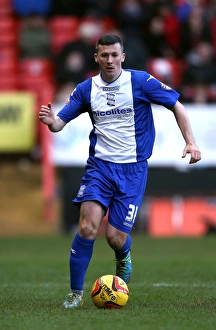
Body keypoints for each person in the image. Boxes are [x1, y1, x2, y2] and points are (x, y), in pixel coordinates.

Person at [39, 34, 201, 308]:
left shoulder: (140, 81)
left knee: (114, 237)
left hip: (133, 171)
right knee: (87, 227)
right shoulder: (86, 89)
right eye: (104, 55)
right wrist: (52, 120)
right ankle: (75, 293)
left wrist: (191, 141)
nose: (110, 60)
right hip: (99, 168)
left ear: (123, 57)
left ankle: (123, 257)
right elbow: (58, 125)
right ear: (96, 58)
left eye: (115, 55)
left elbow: (177, 105)